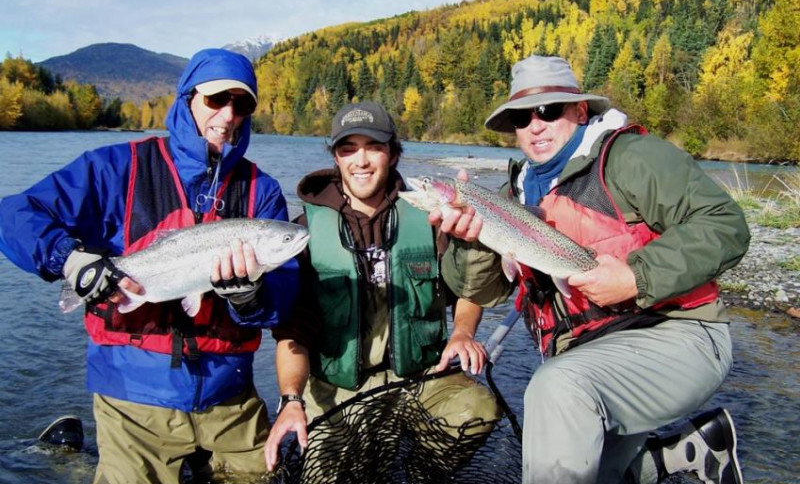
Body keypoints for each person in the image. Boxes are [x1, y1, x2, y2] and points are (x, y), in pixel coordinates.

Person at [429, 55, 750, 484]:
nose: (535, 125)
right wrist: (470, 240)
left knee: (553, 389)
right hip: (590, 356)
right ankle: (691, 452)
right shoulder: (510, 195)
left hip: (676, 335)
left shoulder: (631, 157)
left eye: (548, 110)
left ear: (581, 111)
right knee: (591, 471)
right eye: (522, 118)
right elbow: (478, 290)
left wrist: (637, 276)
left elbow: (726, 225)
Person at [0, 48, 300, 483]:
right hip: (132, 398)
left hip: (231, 398)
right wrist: (70, 261)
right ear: (187, 100)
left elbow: (284, 302)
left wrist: (251, 298)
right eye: (216, 100)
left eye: (242, 104)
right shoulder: (116, 168)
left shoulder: (262, 191)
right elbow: (14, 215)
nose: (228, 114)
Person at [263, 101, 507, 480]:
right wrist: (292, 400)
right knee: (322, 474)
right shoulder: (302, 231)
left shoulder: (431, 217)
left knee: (476, 410)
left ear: (392, 154)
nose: (361, 160)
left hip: (420, 378)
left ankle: (419, 472)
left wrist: (462, 332)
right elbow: (292, 333)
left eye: (373, 147)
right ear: (336, 158)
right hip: (336, 387)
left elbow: (467, 289)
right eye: (348, 149)